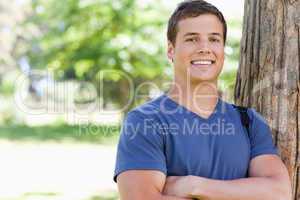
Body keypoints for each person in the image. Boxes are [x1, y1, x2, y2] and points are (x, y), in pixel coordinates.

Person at [113, 0, 292, 199]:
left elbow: (279, 192)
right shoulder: (144, 122)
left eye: (214, 39)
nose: (205, 48)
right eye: (192, 39)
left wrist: (194, 185)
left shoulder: (249, 122)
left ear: (223, 49)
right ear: (171, 50)